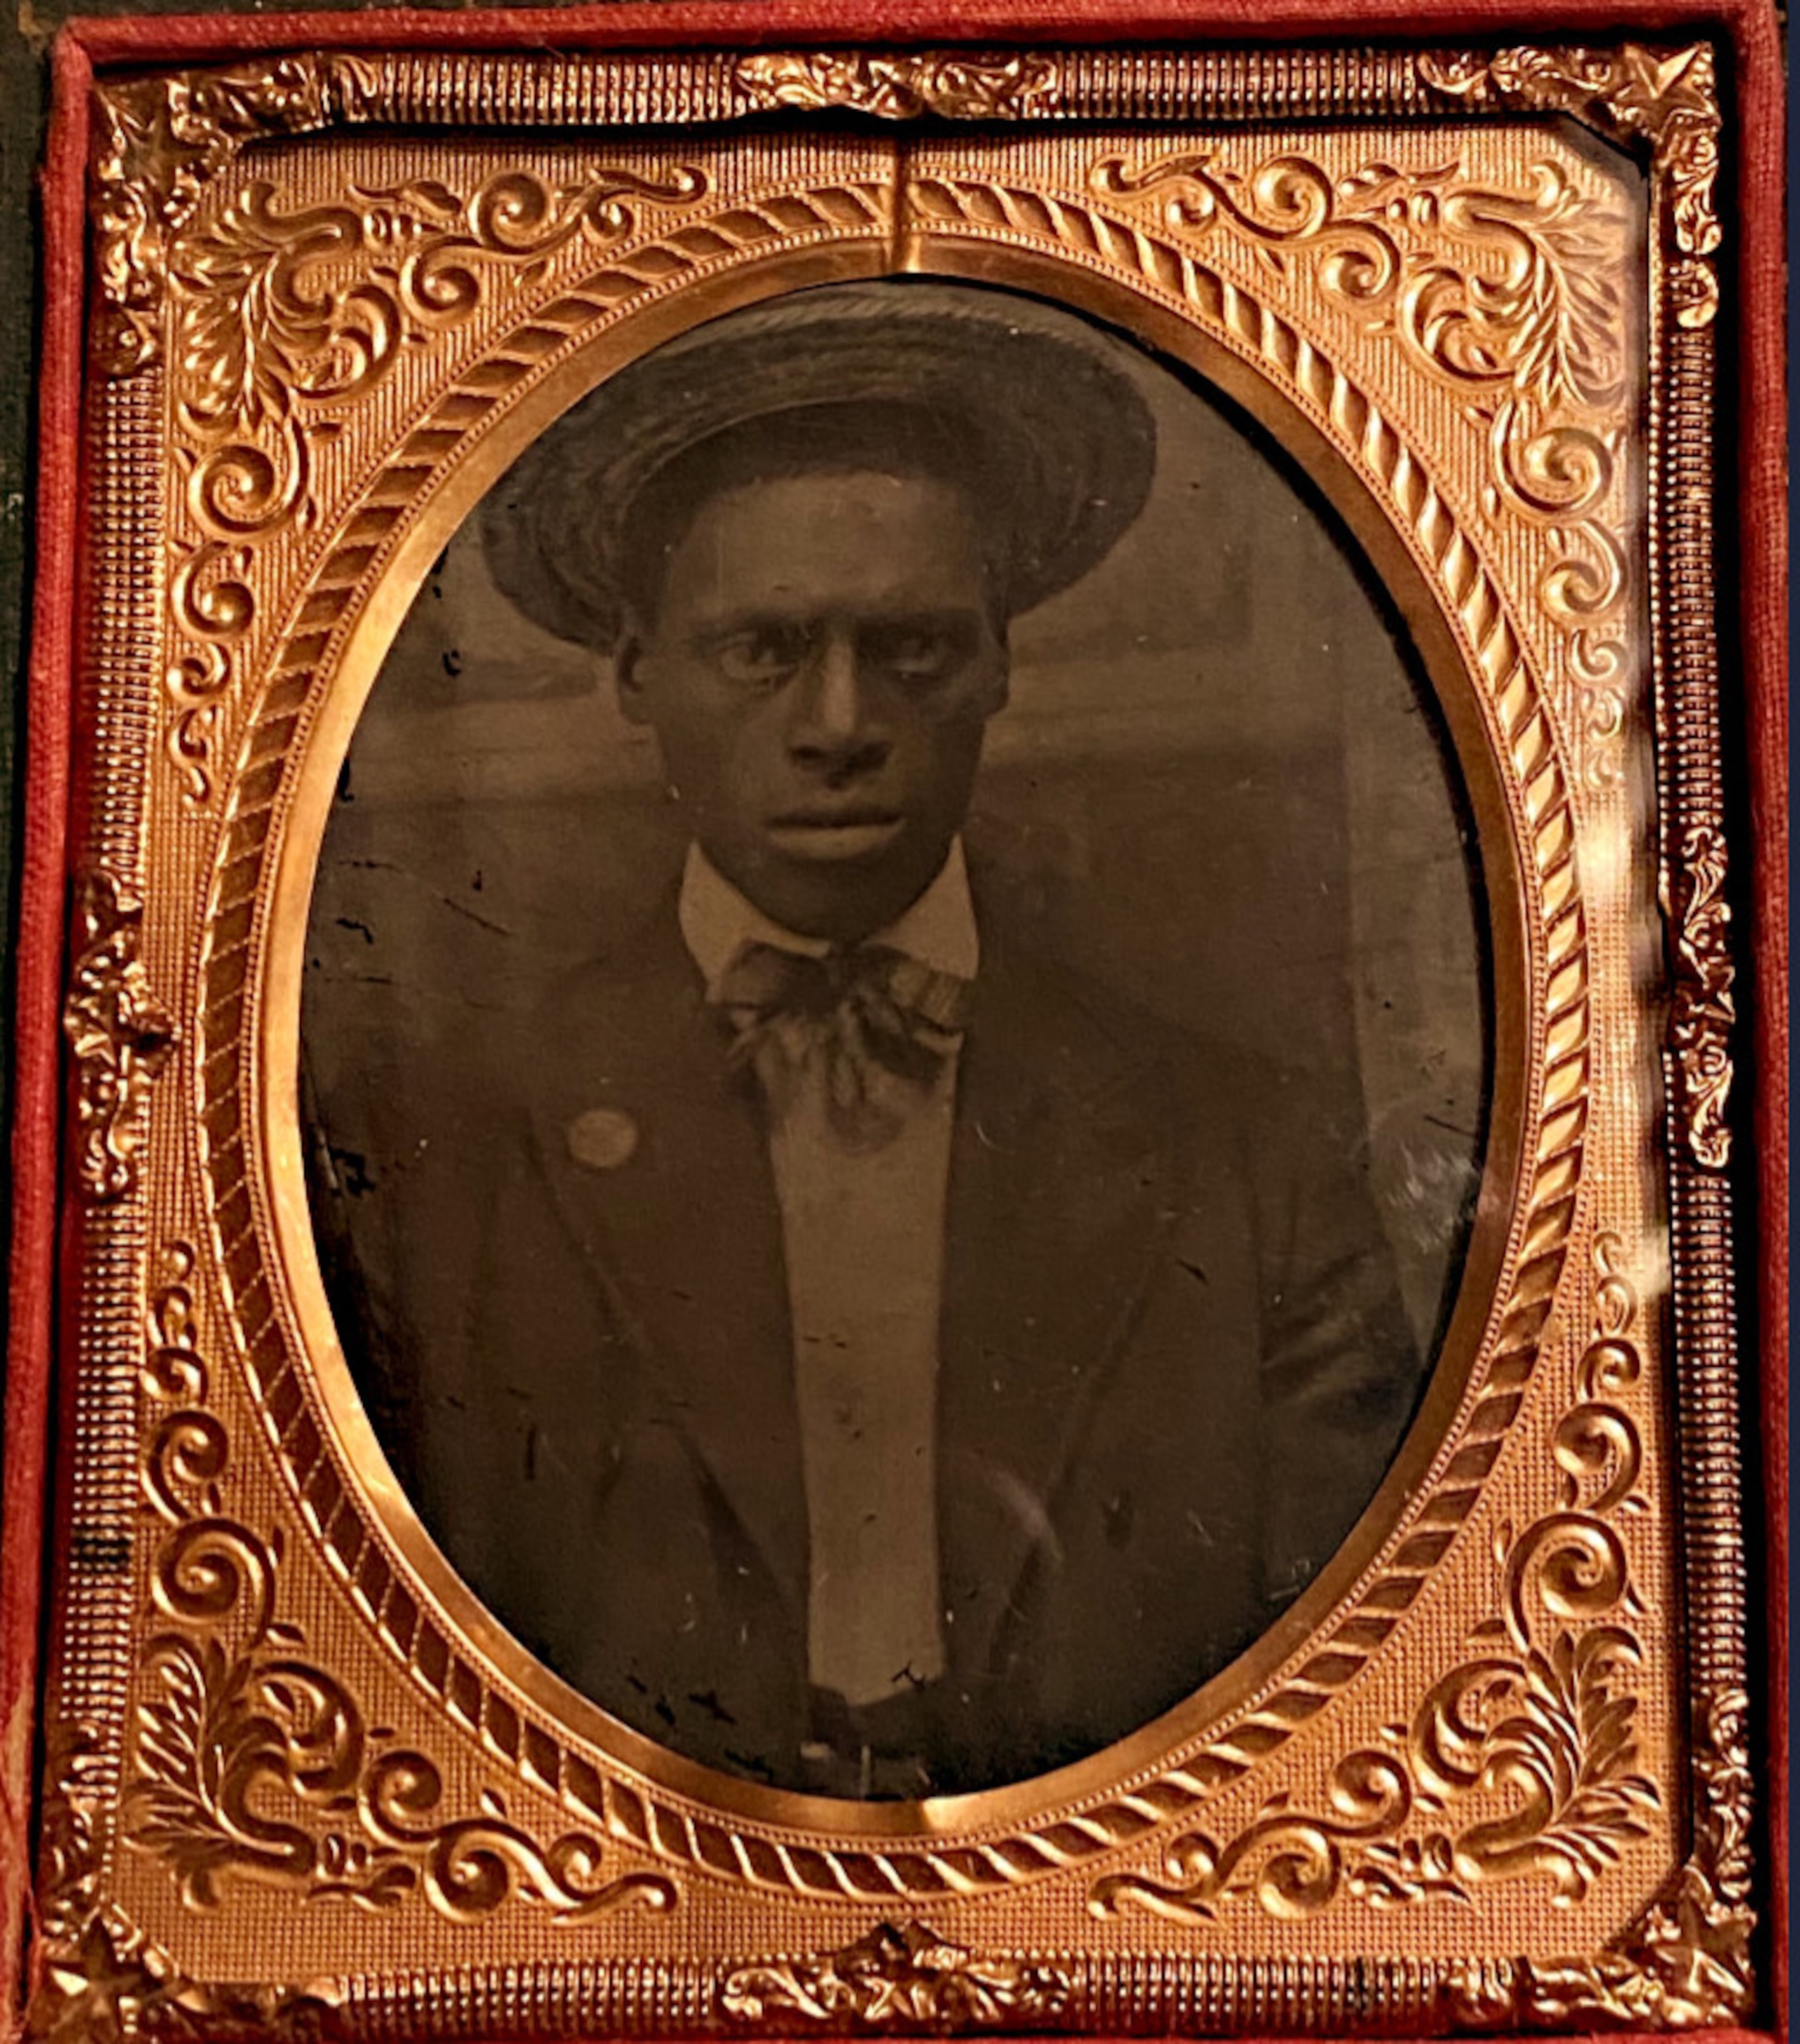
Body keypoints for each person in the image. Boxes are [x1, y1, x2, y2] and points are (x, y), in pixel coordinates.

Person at [308, 282, 1422, 1799]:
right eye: (764, 649)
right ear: (638, 674)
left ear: (1000, 666)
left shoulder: (1250, 1146)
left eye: (911, 648)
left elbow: (1354, 1681)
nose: (840, 719)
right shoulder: (439, 1148)